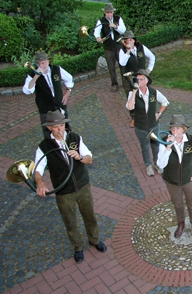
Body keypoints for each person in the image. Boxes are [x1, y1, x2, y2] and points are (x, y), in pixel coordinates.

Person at [33, 110, 107, 263]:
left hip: (82, 185)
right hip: (63, 191)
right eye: (56, 127)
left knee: (89, 215)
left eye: (62, 125)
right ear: (49, 128)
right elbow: (37, 170)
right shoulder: (44, 146)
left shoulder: (74, 138)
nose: (60, 129)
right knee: (69, 220)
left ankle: (94, 240)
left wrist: (79, 157)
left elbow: (89, 159)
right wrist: (40, 183)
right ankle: (78, 247)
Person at [157, 115, 192, 242]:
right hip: (172, 180)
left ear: (184, 129)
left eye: (177, 128)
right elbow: (160, 165)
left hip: (189, 179)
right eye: (172, 128)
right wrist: (167, 148)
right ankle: (181, 223)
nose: (174, 131)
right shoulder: (164, 141)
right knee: (177, 204)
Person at [126, 69, 169, 177]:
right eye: (137, 79)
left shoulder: (154, 92)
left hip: (153, 125)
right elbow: (130, 107)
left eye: (141, 79)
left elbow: (165, 102)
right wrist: (135, 91)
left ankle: (157, 163)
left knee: (155, 145)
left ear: (146, 81)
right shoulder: (132, 93)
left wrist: (159, 113)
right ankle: (148, 165)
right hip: (140, 127)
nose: (139, 81)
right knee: (144, 146)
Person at [22, 52, 73, 137]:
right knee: (49, 134)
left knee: (66, 129)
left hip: (60, 106)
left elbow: (69, 79)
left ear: (48, 61)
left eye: (43, 63)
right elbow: (27, 91)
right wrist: (36, 76)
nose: (41, 66)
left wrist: (68, 92)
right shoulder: (33, 75)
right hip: (46, 110)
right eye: (39, 64)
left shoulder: (56, 69)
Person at [119, 30, 156, 128]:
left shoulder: (141, 47)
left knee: (145, 94)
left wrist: (149, 69)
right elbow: (122, 63)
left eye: (131, 39)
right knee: (131, 97)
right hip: (129, 78)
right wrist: (127, 51)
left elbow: (152, 57)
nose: (129, 41)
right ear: (124, 41)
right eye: (127, 40)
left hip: (142, 77)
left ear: (134, 40)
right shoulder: (122, 51)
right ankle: (133, 117)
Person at [93, 3, 126, 92]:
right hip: (108, 48)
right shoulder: (101, 21)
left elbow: (123, 30)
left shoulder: (118, 19)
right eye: (107, 12)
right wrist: (98, 37)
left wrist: (115, 26)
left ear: (113, 12)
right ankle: (114, 84)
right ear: (104, 13)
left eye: (110, 12)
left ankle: (125, 82)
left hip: (119, 46)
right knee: (111, 67)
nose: (109, 14)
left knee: (122, 65)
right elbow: (96, 31)